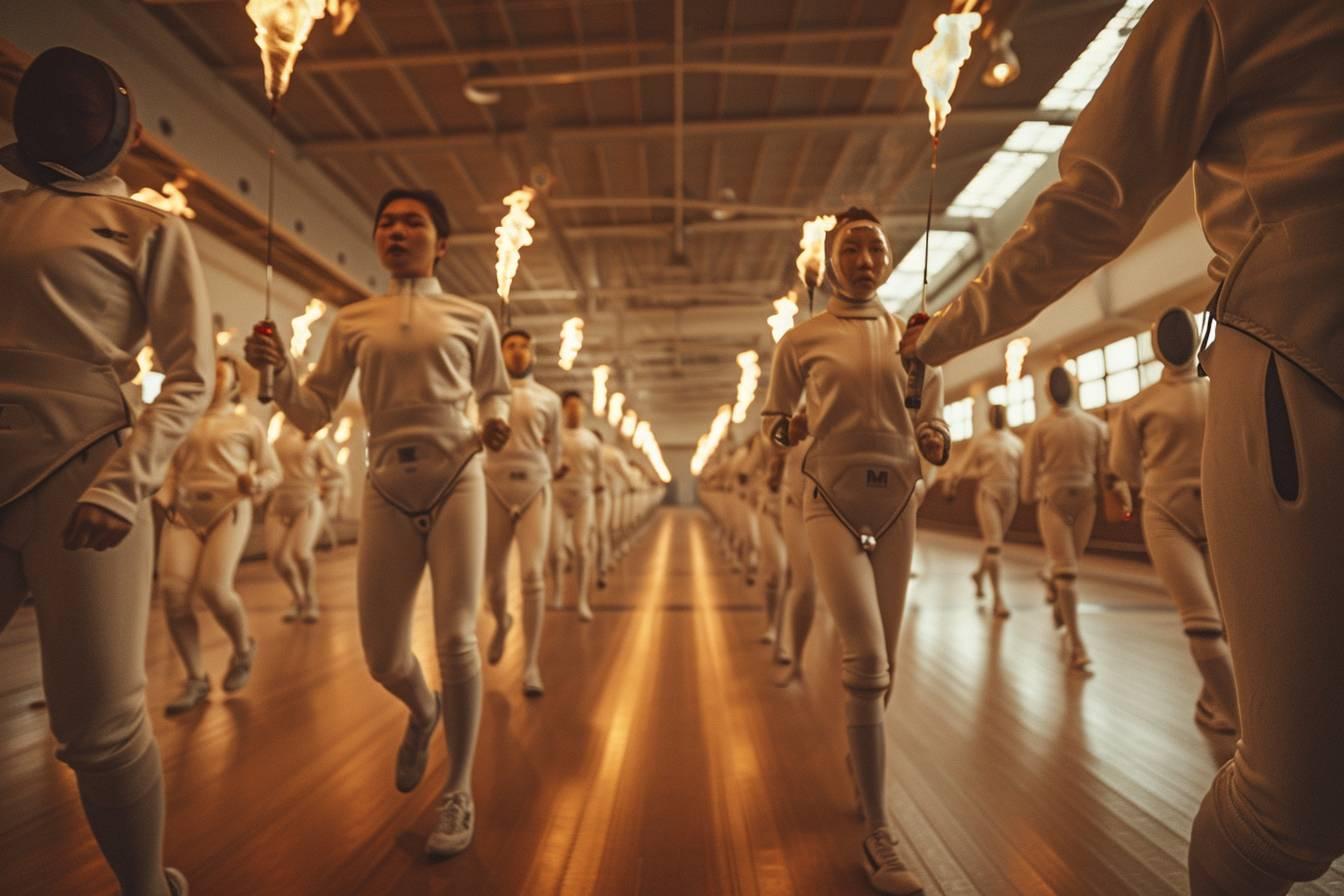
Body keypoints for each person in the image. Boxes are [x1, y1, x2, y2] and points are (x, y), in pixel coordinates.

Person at [901, 2, 1344, 889]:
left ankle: (1076, 620)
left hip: (1183, 458)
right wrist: (944, 335)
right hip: (1306, 365)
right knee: (1291, 812)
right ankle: (1071, 622)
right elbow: (1090, 205)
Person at [245, 187, 511, 859]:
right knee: (383, 658)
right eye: (387, 222)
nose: (397, 231)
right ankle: (424, 710)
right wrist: (279, 374)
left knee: (456, 637)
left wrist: (494, 421)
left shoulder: (472, 316)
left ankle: (458, 789)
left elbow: (493, 391)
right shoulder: (353, 320)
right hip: (387, 485)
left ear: (441, 243)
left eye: (413, 222)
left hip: (457, 478)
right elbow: (312, 412)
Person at [0, 46, 211, 896]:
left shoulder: (147, 229)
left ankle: (145, 887)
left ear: (123, 129)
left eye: (82, 108)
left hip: (82, 470)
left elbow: (191, 377)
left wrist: (125, 484)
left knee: (99, 724)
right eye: (48, 103)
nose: (63, 119)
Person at [763, 208, 950, 896]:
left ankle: (860, 751)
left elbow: (933, 420)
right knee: (866, 658)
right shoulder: (801, 340)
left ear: (890, 260)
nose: (864, 259)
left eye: (875, 247)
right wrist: (790, 428)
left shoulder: (918, 339)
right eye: (851, 248)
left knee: (885, 669)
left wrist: (934, 439)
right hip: (829, 500)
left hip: (898, 502)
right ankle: (878, 831)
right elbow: (771, 425)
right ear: (833, 259)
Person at [1110, 307, 1239, 734]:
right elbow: (1124, 469)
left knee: (1230, 626)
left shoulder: (1216, 391)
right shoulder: (1147, 403)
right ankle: (1250, 737)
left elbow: (1127, 470)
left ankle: (1214, 703)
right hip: (1170, 518)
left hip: (1213, 513)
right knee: (1205, 624)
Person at [157, 357, 278, 713]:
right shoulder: (184, 421)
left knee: (214, 588)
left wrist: (256, 482)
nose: (215, 376)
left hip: (229, 508)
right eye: (212, 370)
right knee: (173, 593)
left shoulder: (247, 424)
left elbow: (273, 471)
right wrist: (164, 497)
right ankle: (196, 678)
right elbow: (171, 470)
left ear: (236, 383)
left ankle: (243, 649)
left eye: (222, 372)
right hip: (184, 511)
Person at [482, 329, 562, 697]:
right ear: (500, 354)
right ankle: (502, 622)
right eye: (511, 346)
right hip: (494, 487)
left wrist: (552, 471)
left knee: (532, 574)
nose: (518, 351)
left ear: (533, 354)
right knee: (494, 580)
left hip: (534, 488)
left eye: (524, 346)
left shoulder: (549, 399)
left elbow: (555, 450)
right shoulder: (486, 397)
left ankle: (531, 664)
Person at [946, 404, 1023, 619]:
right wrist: (952, 482)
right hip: (988, 494)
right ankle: (998, 598)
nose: (997, 416)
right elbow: (963, 464)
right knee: (994, 545)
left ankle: (979, 575)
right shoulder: (981, 441)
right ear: (989, 418)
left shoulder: (1016, 442)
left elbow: (1026, 470)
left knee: (993, 543)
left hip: (1011, 496)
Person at [267, 418, 343, 622]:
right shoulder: (276, 439)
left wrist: (326, 494)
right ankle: (298, 597)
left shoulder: (316, 441)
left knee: (301, 552)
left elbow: (335, 473)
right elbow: (269, 469)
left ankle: (310, 597)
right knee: (278, 558)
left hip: (306, 501)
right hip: (279, 503)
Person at [550, 391, 603, 622]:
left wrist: (599, 486)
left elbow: (599, 472)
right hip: (557, 496)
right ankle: (558, 592)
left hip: (583, 497)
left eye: (577, 407)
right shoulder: (554, 437)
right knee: (554, 550)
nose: (574, 411)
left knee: (582, 547)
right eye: (570, 406)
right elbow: (545, 463)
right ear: (563, 410)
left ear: (583, 410)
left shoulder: (591, 440)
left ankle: (582, 600)